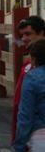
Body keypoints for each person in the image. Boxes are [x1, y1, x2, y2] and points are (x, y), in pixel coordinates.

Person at [11, 16, 45, 144]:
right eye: (22, 35)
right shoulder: (27, 64)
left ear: (41, 32)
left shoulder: (32, 69)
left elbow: (26, 113)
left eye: (28, 34)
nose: (24, 38)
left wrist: (19, 142)